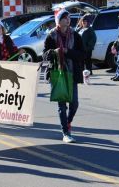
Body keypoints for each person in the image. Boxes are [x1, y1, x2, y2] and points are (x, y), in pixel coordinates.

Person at [43, 9, 85, 143]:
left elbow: (82, 55)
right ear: (59, 21)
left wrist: (68, 51)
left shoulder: (76, 36)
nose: (68, 19)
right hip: (57, 73)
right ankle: (65, 133)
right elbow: (45, 55)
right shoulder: (51, 36)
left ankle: (68, 122)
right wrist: (55, 52)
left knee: (74, 104)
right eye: (65, 17)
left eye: (69, 17)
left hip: (72, 72)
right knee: (62, 105)